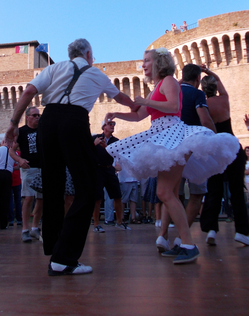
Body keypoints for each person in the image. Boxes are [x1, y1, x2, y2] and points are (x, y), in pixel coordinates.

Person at [5, 38, 137, 276]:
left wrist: (13, 124)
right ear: (88, 53)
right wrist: (138, 107)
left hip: (48, 122)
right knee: (88, 189)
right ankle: (64, 258)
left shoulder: (54, 68)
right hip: (74, 122)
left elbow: (28, 91)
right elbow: (122, 99)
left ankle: (56, 250)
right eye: (92, 54)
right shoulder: (96, 74)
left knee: (53, 187)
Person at [105, 48, 240, 264]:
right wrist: (116, 114)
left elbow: (174, 106)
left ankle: (188, 244)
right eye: (143, 61)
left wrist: (147, 102)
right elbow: (140, 115)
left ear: (159, 62)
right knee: (171, 192)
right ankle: (183, 242)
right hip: (161, 135)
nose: (143, 64)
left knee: (164, 191)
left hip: (173, 134)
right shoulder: (155, 88)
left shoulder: (169, 81)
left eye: (147, 60)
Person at [156, 63, 216, 254]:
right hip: (192, 147)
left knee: (171, 192)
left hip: (170, 147)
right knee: (197, 193)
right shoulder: (197, 94)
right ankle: (183, 238)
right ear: (198, 79)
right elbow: (205, 120)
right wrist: (215, 139)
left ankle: (162, 235)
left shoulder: (171, 90)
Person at [200, 66, 249, 246]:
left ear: (203, 89)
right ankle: (242, 231)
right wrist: (209, 72)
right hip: (232, 145)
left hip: (214, 148)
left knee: (214, 189)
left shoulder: (203, 106)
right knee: (237, 190)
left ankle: (211, 229)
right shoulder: (225, 100)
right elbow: (220, 82)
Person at [9, 107, 44, 242]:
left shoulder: (43, 130)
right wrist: (20, 160)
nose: (37, 117)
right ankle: (25, 229)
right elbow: (11, 151)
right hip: (28, 168)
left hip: (42, 168)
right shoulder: (22, 132)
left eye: (38, 115)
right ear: (27, 117)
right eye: (34, 115)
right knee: (28, 198)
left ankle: (35, 228)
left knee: (41, 199)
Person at [92, 120, 129, 232]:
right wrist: (94, 144)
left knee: (117, 196)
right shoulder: (95, 137)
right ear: (104, 127)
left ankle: (119, 222)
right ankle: (96, 224)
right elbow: (87, 152)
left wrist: (106, 147)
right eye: (110, 124)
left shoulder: (116, 141)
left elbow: (117, 154)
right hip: (98, 170)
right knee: (97, 198)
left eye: (114, 124)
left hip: (109, 169)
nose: (113, 126)